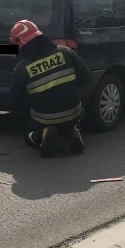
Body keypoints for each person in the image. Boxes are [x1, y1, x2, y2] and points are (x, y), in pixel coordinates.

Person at [10, 20, 92, 158]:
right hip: (74, 112)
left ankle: (42, 133)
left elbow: (16, 100)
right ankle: (73, 130)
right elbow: (87, 79)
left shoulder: (22, 68)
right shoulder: (65, 52)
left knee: (28, 135)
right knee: (71, 117)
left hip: (43, 118)